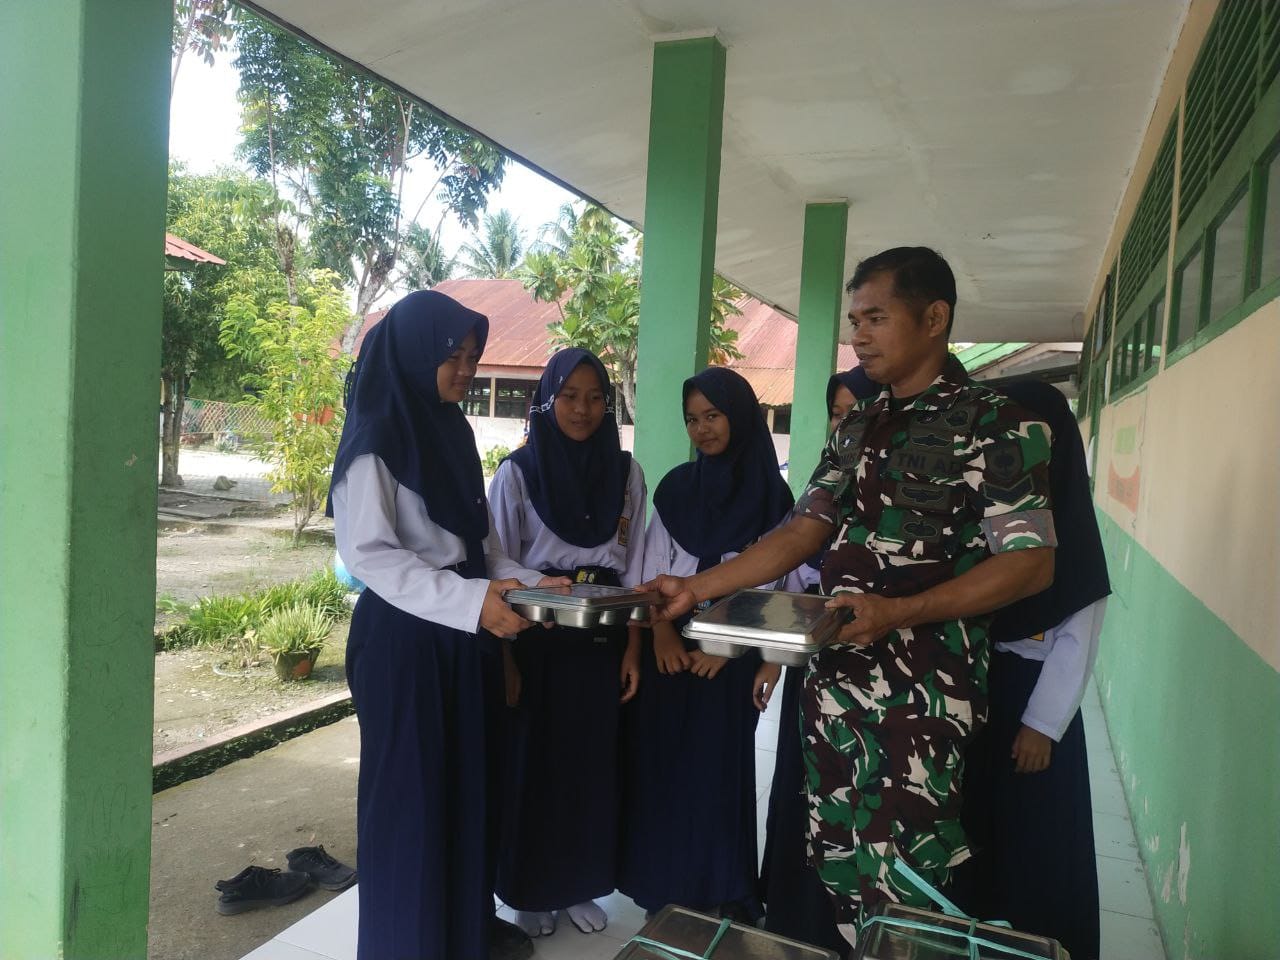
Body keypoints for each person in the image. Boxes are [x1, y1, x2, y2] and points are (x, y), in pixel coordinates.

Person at [644, 247, 1057, 947]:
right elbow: (802, 531)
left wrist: (903, 611)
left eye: (876, 318)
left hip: (920, 703)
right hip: (833, 694)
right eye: (854, 320)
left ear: (934, 318)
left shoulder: (999, 424)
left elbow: (1031, 565)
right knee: (839, 868)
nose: (859, 335)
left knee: (911, 882)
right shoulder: (858, 425)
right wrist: (695, 587)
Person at [327, 290, 566, 960]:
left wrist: (525, 581)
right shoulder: (376, 440)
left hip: (464, 635)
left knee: (466, 790)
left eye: (472, 357)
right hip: (405, 643)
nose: (466, 370)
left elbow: (477, 546)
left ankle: (462, 935)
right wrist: (472, 602)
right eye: (452, 356)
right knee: (412, 803)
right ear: (412, 355)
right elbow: (370, 556)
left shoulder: (454, 433)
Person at [619, 366, 798, 921]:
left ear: (740, 417)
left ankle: (724, 889)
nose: (702, 429)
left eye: (714, 415)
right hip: (669, 652)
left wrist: (746, 654)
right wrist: (661, 634)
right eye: (692, 419)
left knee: (719, 773)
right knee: (666, 769)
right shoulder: (677, 490)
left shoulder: (774, 498)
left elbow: (781, 587)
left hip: (733, 656)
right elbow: (649, 574)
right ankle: (663, 888)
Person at [488, 348, 647, 939]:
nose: (583, 409)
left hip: (602, 637)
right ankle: (530, 890)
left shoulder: (626, 473)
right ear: (547, 401)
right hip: (538, 633)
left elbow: (634, 565)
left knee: (591, 763)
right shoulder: (519, 471)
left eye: (596, 397)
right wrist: (538, 594)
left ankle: (580, 882)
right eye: (570, 397)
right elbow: (494, 556)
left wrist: (632, 646)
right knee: (536, 762)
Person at [958, 378, 1110, 960]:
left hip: (1032, 701)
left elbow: (1078, 640)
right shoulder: (983, 511)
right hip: (974, 686)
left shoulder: (1070, 528)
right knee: (974, 831)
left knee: (1035, 842)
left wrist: (1042, 726)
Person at [758, 366, 878, 953]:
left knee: (867, 813)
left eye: (858, 411)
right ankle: (795, 923)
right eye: (837, 413)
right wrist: (772, 657)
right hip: (813, 674)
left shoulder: (909, 494)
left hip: (881, 688)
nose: (845, 424)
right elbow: (790, 566)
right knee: (803, 794)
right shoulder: (822, 492)